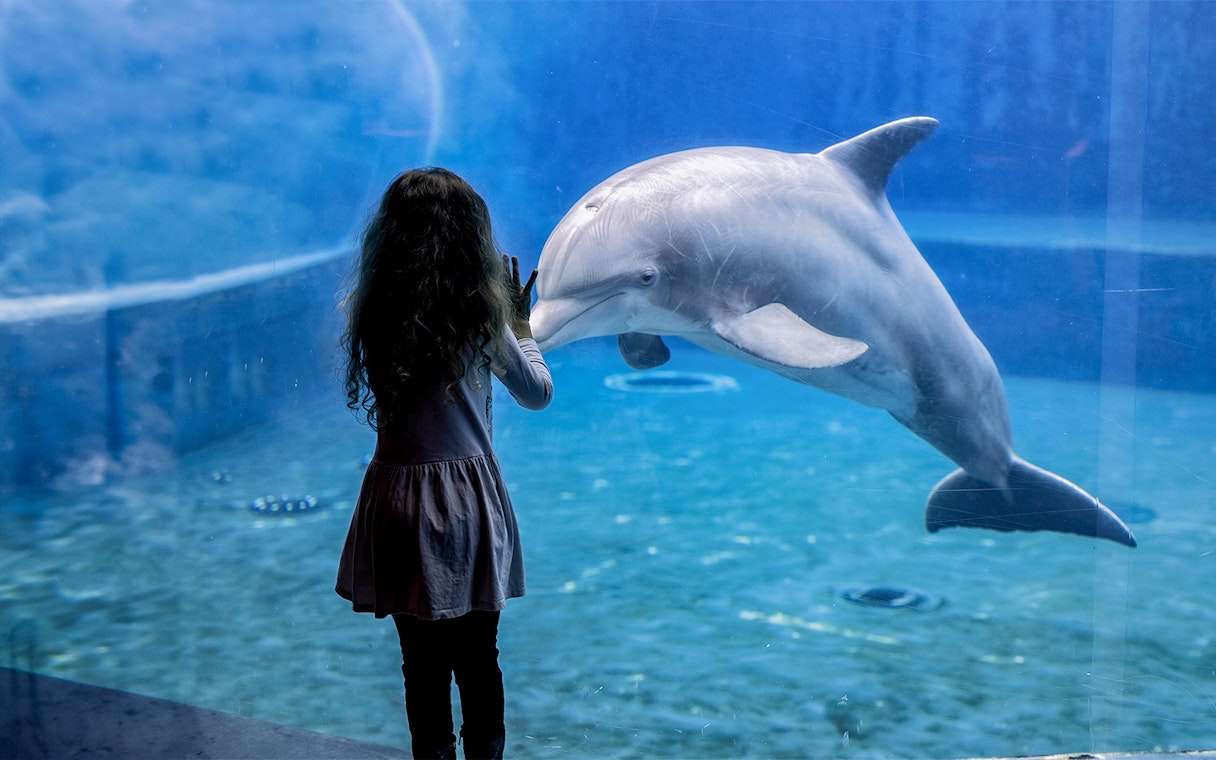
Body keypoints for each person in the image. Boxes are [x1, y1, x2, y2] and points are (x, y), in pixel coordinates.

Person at [335, 167, 553, 760]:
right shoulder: (479, 318)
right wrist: (521, 327)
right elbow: (536, 393)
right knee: (479, 658)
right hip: (464, 505)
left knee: (420, 665)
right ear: (470, 240)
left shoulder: (373, 312)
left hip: (399, 505)